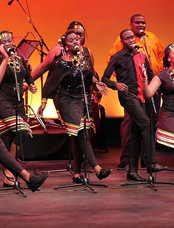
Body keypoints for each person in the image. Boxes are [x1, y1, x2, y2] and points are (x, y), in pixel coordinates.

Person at [41, 30, 111, 183]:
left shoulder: (84, 60)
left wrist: (95, 83)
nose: (76, 42)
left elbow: (87, 74)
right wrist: (44, 101)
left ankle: (77, 173)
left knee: (82, 134)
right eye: (71, 40)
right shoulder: (62, 63)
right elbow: (50, 83)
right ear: (65, 46)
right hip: (67, 100)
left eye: (77, 39)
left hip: (82, 100)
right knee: (81, 134)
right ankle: (97, 168)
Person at [102, 29, 167, 182]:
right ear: (122, 41)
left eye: (132, 37)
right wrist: (115, 84)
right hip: (128, 96)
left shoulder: (141, 55)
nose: (131, 40)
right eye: (127, 38)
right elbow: (105, 77)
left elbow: (150, 74)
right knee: (145, 123)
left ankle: (132, 171)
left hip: (141, 95)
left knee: (137, 131)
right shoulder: (117, 57)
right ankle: (151, 162)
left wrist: (153, 88)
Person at [0, 42, 48, 192]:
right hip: (4, 102)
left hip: (18, 103)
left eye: (10, 40)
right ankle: (26, 178)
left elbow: (28, 76)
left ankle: (21, 177)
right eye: (4, 41)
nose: (8, 43)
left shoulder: (19, 59)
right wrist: (5, 58)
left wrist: (31, 85)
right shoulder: (2, 60)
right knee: (17, 131)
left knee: (10, 139)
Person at [143, 43, 174, 148]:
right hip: (170, 115)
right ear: (169, 58)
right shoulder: (163, 75)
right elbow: (148, 94)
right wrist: (144, 79)